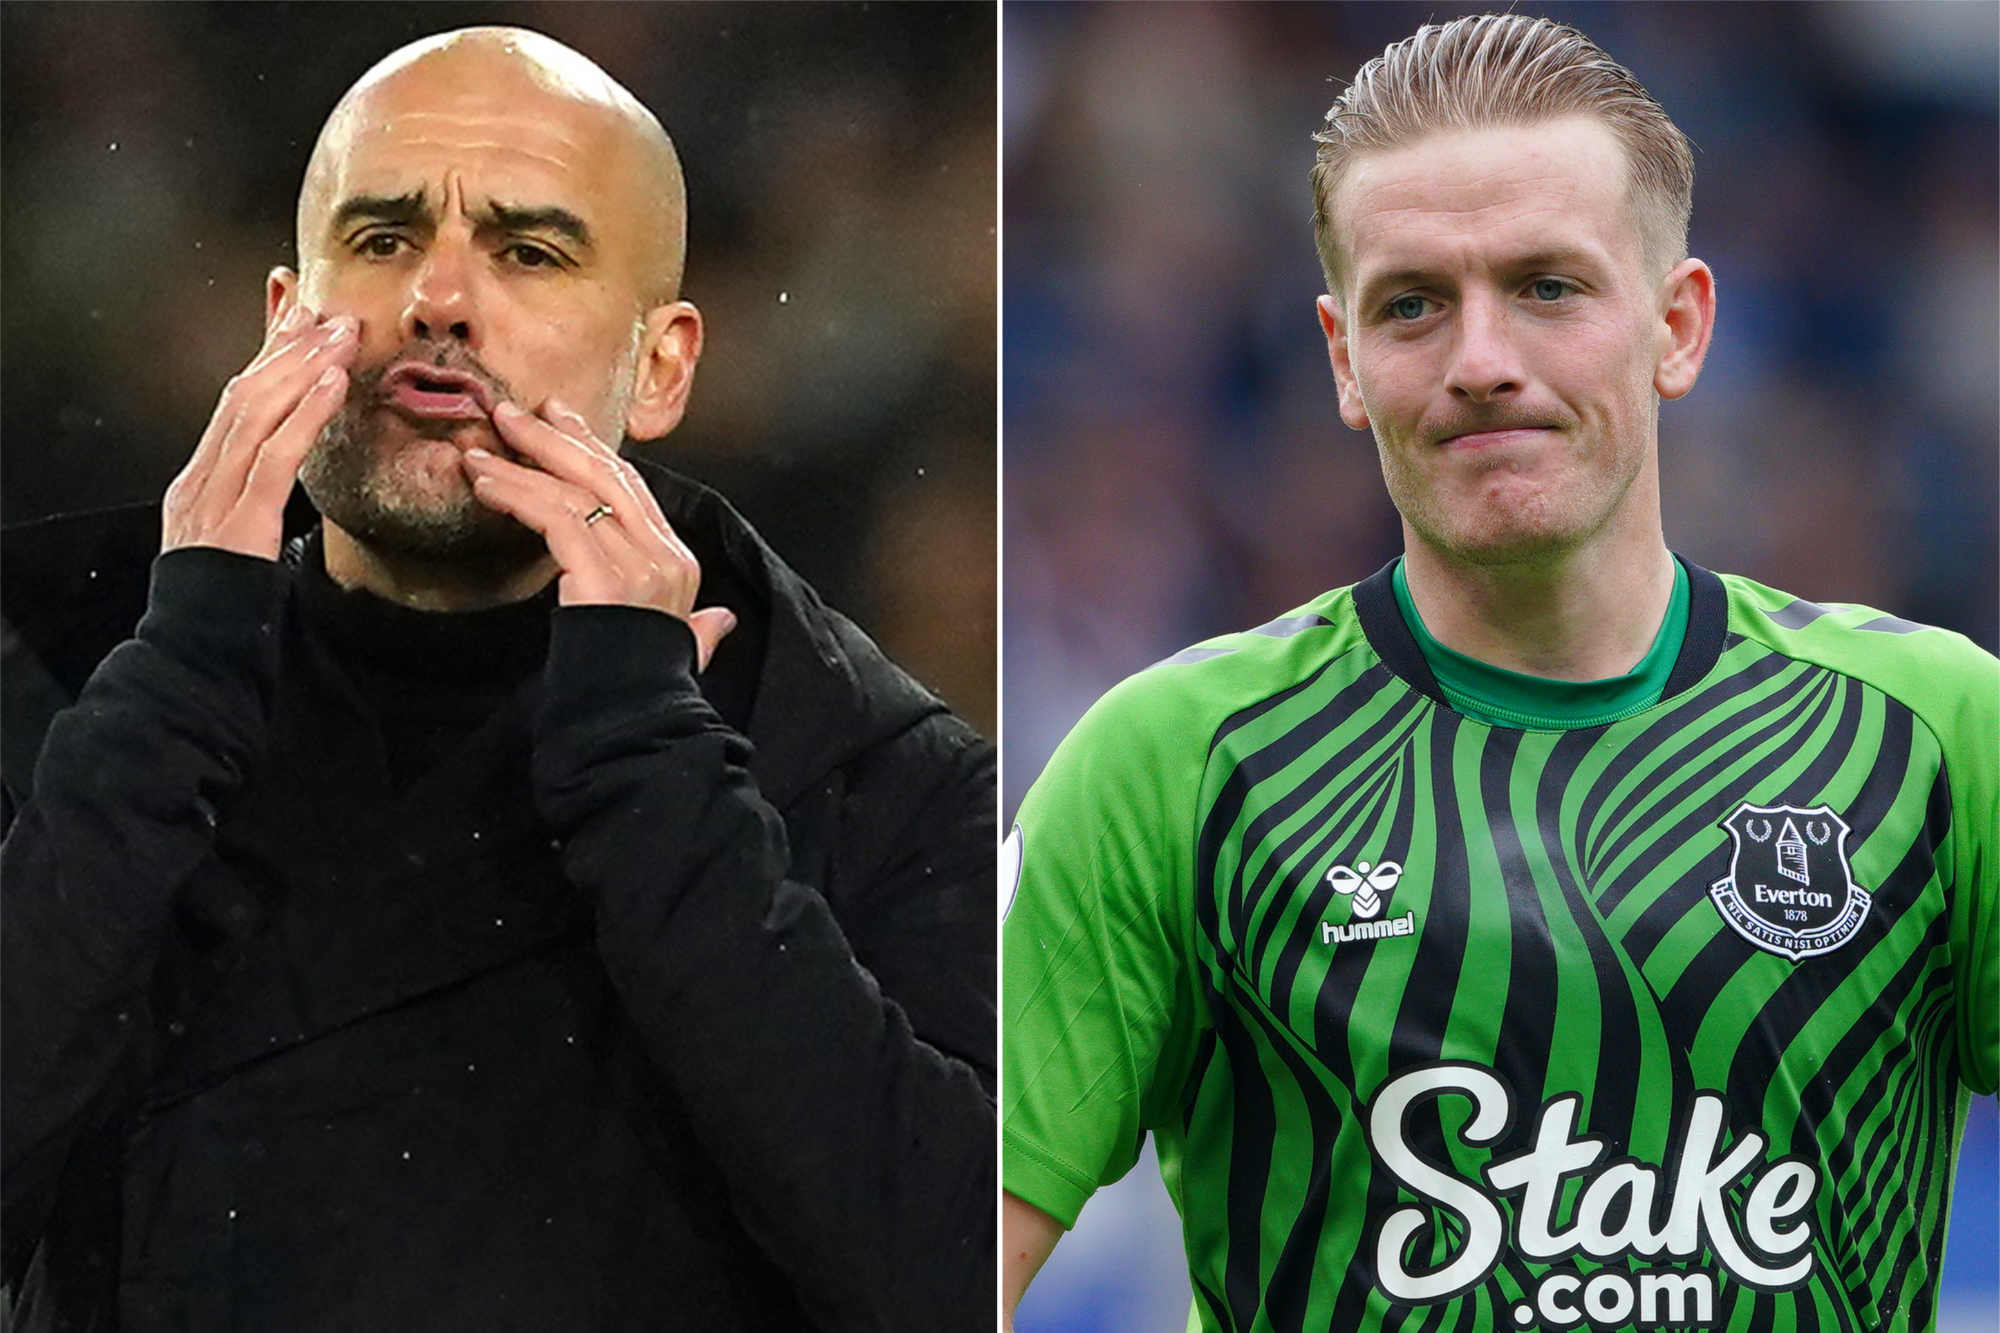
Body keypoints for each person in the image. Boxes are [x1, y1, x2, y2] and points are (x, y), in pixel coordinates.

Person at [1002, 14, 1994, 1333]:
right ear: (1345, 360)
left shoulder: (1935, 732)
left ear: (1679, 326)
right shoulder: (1173, 765)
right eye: (1413, 303)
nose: (1481, 362)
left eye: (1548, 287)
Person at [1, 26, 994, 1333]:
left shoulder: (870, 772)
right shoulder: (56, 688)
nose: (439, 301)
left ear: (663, 365)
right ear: (280, 319)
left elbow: (954, 1280)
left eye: (529, 251)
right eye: (379, 239)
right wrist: (171, 686)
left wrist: (653, 773)